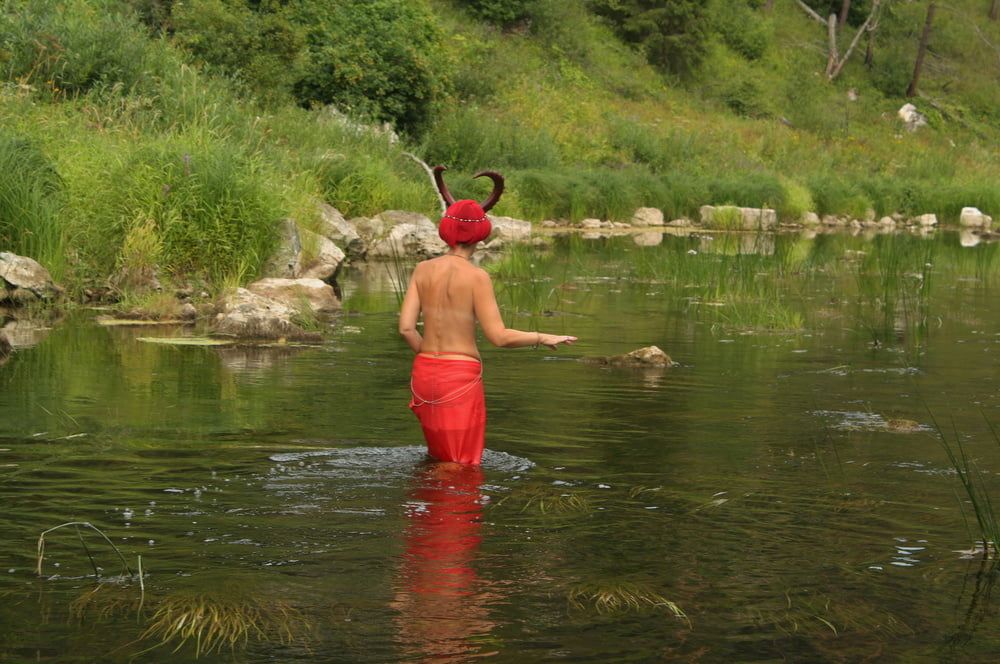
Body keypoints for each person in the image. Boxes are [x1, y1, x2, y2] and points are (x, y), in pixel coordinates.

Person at [399, 166, 577, 465]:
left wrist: (432, 357)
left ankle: (424, 509)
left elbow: (406, 329)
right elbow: (499, 337)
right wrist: (543, 336)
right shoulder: (477, 277)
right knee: (461, 465)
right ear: (481, 235)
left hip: (423, 373)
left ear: (446, 231)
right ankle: (455, 512)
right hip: (459, 379)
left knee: (439, 457)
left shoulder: (422, 270)